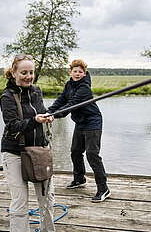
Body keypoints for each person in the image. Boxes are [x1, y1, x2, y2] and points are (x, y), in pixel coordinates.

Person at [0, 54, 56, 232]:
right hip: (14, 153)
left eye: (31, 72)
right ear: (14, 73)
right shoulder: (6, 97)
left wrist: (47, 116)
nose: (28, 76)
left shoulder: (37, 91)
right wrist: (35, 121)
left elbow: (41, 111)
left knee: (47, 199)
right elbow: (13, 125)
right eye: (23, 72)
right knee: (20, 202)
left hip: (39, 151)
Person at [47, 59, 110, 202]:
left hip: (92, 122)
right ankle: (79, 179)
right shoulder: (69, 84)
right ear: (70, 72)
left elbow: (72, 105)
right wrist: (49, 111)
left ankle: (103, 188)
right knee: (75, 151)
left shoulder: (84, 88)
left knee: (92, 154)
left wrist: (54, 115)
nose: (77, 74)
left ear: (84, 73)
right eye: (75, 71)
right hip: (80, 122)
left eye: (80, 72)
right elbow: (62, 99)